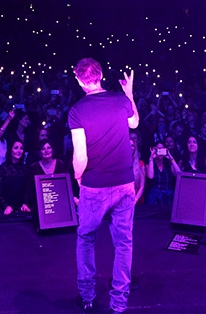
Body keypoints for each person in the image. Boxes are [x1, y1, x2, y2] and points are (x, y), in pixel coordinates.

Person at [68, 58, 139, 314]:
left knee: (86, 238)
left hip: (94, 185)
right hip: (124, 184)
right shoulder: (120, 101)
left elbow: (81, 157)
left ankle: (87, 297)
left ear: (78, 80)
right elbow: (134, 123)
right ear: (100, 76)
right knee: (123, 243)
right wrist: (129, 94)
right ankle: (118, 305)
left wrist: (78, 177)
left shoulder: (77, 110)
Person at [0, 140, 30, 215]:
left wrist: (25, 203)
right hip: (4, 208)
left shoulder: (25, 169)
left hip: (21, 208)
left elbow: (27, 190)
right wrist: (5, 206)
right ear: (10, 150)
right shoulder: (2, 169)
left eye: (21, 148)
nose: (19, 151)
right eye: (16, 148)